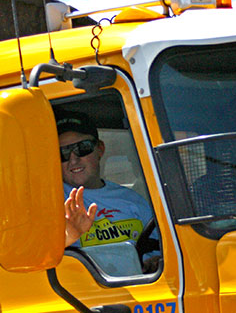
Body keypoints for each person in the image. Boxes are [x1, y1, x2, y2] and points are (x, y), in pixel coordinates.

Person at [56, 111, 160, 270]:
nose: (73, 159)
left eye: (82, 148)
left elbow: (159, 250)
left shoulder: (133, 200)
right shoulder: (50, 202)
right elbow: (32, 260)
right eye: (62, 153)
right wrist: (68, 237)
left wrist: (152, 262)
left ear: (100, 149)